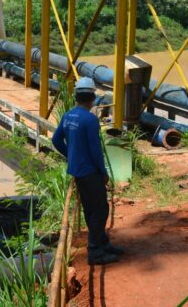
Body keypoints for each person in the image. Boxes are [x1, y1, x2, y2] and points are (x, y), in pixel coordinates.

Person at [52, 77, 123, 265]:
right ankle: (95, 252)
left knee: (90, 209)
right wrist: (103, 172)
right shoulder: (90, 119)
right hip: (91, 172)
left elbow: (56, 140)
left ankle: (102, 243)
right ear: (92, 97)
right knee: (100, 209)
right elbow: (95, 150)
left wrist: (72, 156)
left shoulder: (68, 115)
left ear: (76, 96)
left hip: (78, 171)